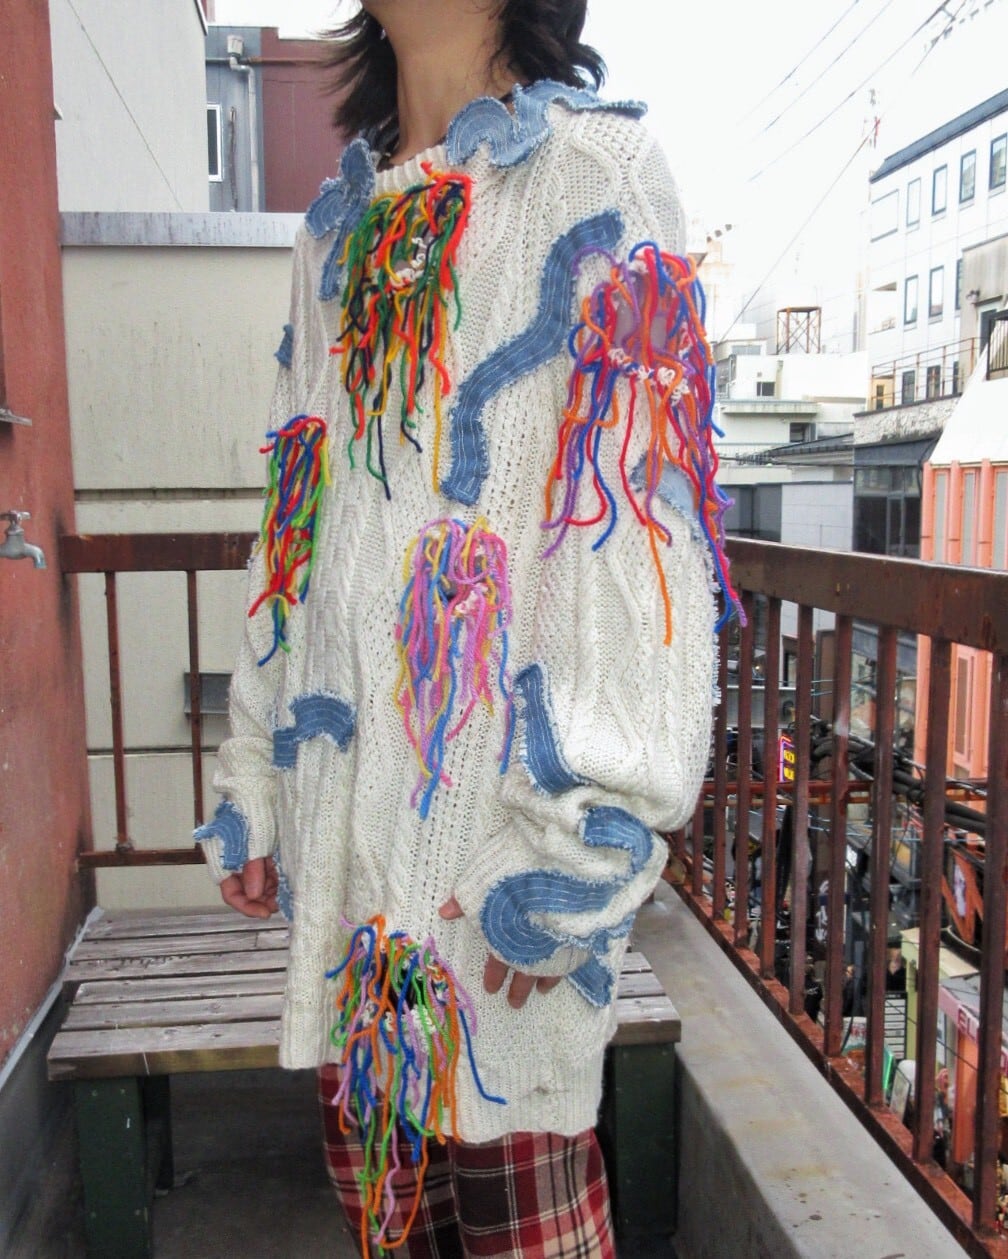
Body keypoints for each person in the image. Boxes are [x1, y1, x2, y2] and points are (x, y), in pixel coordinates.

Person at [196, 1, 738, 1253]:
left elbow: (639, 541)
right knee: (388, 1226)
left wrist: (578, 845)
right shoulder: (335, 231)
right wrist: (256, 768)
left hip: (500, 883)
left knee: (524, 1214)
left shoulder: (594, 174)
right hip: (350, 874)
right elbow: (293, 527)